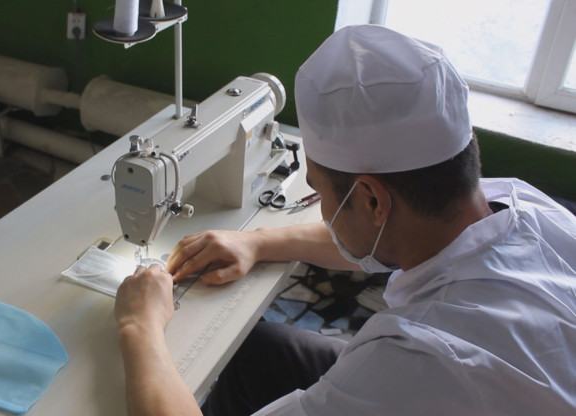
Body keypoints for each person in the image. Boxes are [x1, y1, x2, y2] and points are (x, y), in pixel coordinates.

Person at [114, 24, 576, 415]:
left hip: (440, 384)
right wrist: (260, 241)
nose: (320, 205)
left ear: (373, 200)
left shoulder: (415, 361)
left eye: (319, 191)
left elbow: (407, 371)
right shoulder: (528, 209)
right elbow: (395, 235)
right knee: (254, 354)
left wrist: (140, 327)